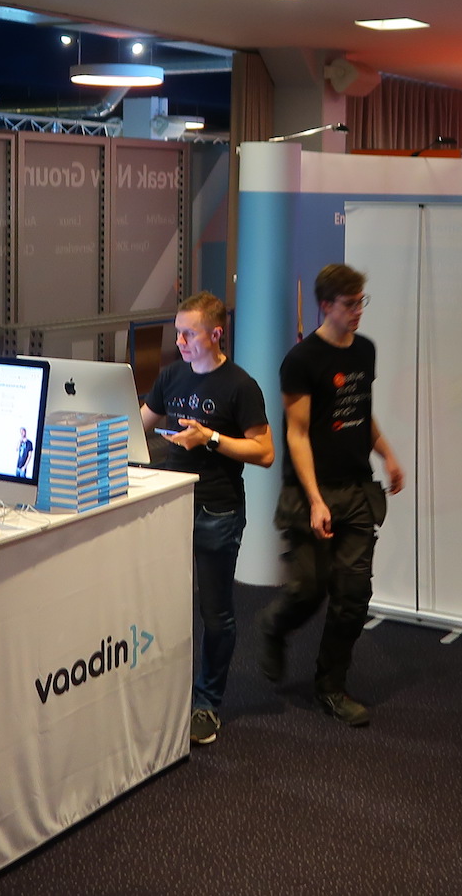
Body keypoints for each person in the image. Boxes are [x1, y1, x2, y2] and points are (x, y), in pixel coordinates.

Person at [256, 263, 405, 729]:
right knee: (307, 590)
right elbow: (297, 434)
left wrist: (386, 453)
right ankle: (274, 628)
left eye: (362, 302)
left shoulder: (364, 351)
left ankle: (331, 686)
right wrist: (316, 499)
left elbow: (360, 410)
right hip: (311, 496)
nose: (358, 311)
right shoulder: (301, 361)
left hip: (358, 489)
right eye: (350, 304)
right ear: (326, 306)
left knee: (353, 595)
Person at [139, 292, 274, 747]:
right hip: (170, 503)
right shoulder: (173, 376)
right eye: (177, 332)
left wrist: (210, 438)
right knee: (162, 604)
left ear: (215, 334)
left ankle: (206, 704)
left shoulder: (240, 385)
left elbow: (265, 452)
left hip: (217, 508)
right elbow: (139, 422)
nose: (179, 341)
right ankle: (163, 692)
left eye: (188, 333)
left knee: (215, 614)